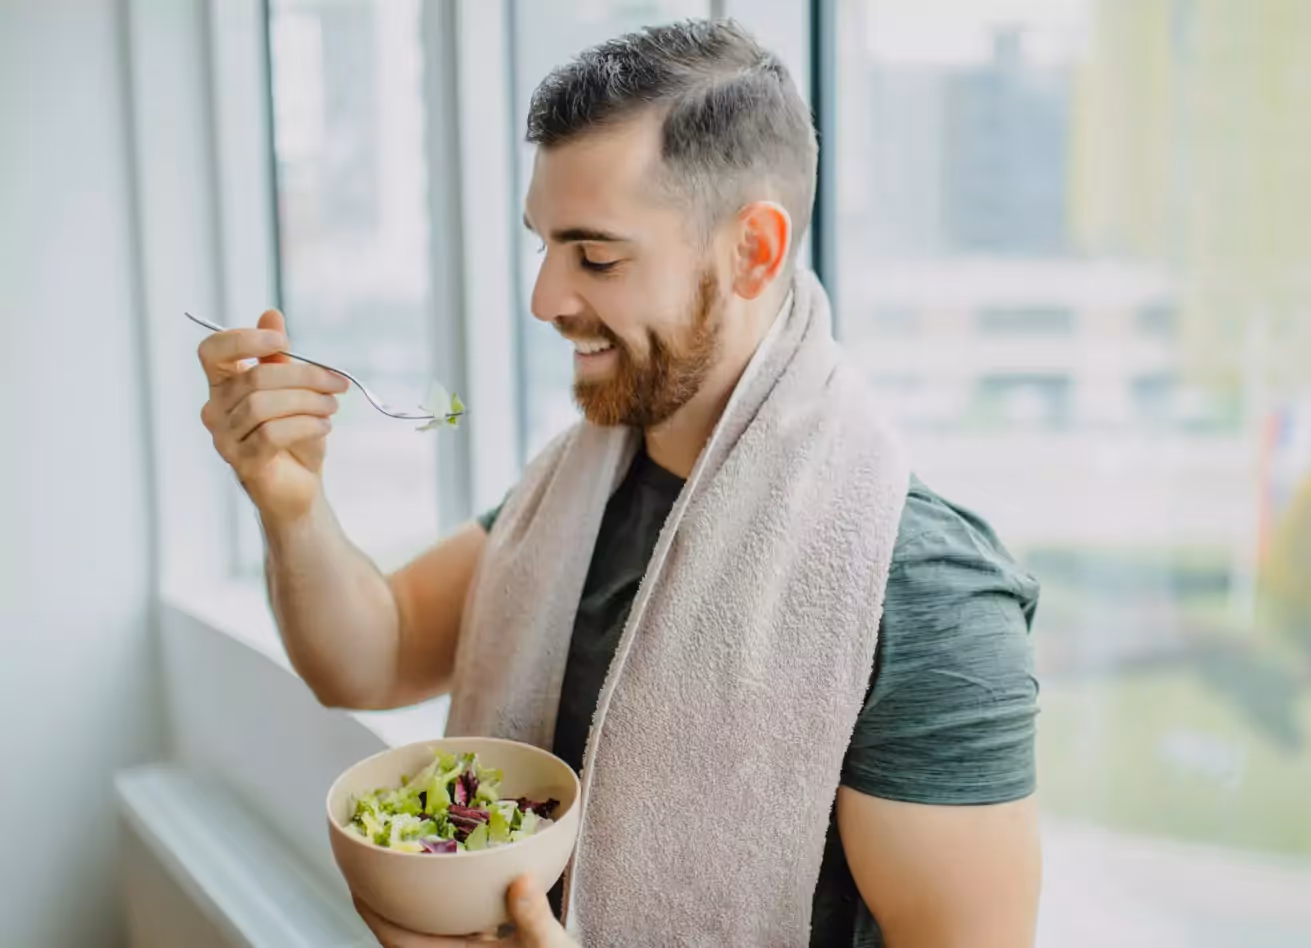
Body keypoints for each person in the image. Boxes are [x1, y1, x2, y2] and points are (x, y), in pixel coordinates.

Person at [195, 19, 1040, 948]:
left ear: (754, 251)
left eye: (596, 256)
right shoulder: (576, 489)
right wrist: (292, 504)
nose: (545, 300)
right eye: (544, 246)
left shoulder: (922, 593)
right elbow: (373, 655)